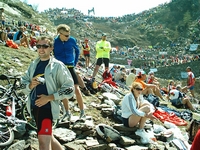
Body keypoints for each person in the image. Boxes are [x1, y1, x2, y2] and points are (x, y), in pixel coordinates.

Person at [21, 36, 74, 150]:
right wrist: (30, 85)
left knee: (44, 144)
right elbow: (22, 82)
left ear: (51, 48)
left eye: (45, 46)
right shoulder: (34, 64)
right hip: (35, 107)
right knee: (49, 137)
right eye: (38, 46)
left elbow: (69, 88)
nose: (41, 49)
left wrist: (50, 97)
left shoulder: (58, 66)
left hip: (47, 109)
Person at [53, 24, 86, 121]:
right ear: (60, 34)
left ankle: (82, 112)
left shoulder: (72, 40)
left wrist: (75, 62)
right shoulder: (55, 42)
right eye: (66, 35)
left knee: (76, 88)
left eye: (69, 34)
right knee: (63, 89)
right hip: (60, 67)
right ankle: (67, 112)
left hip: (70, 66)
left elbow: (77, 50)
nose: (68, 37)